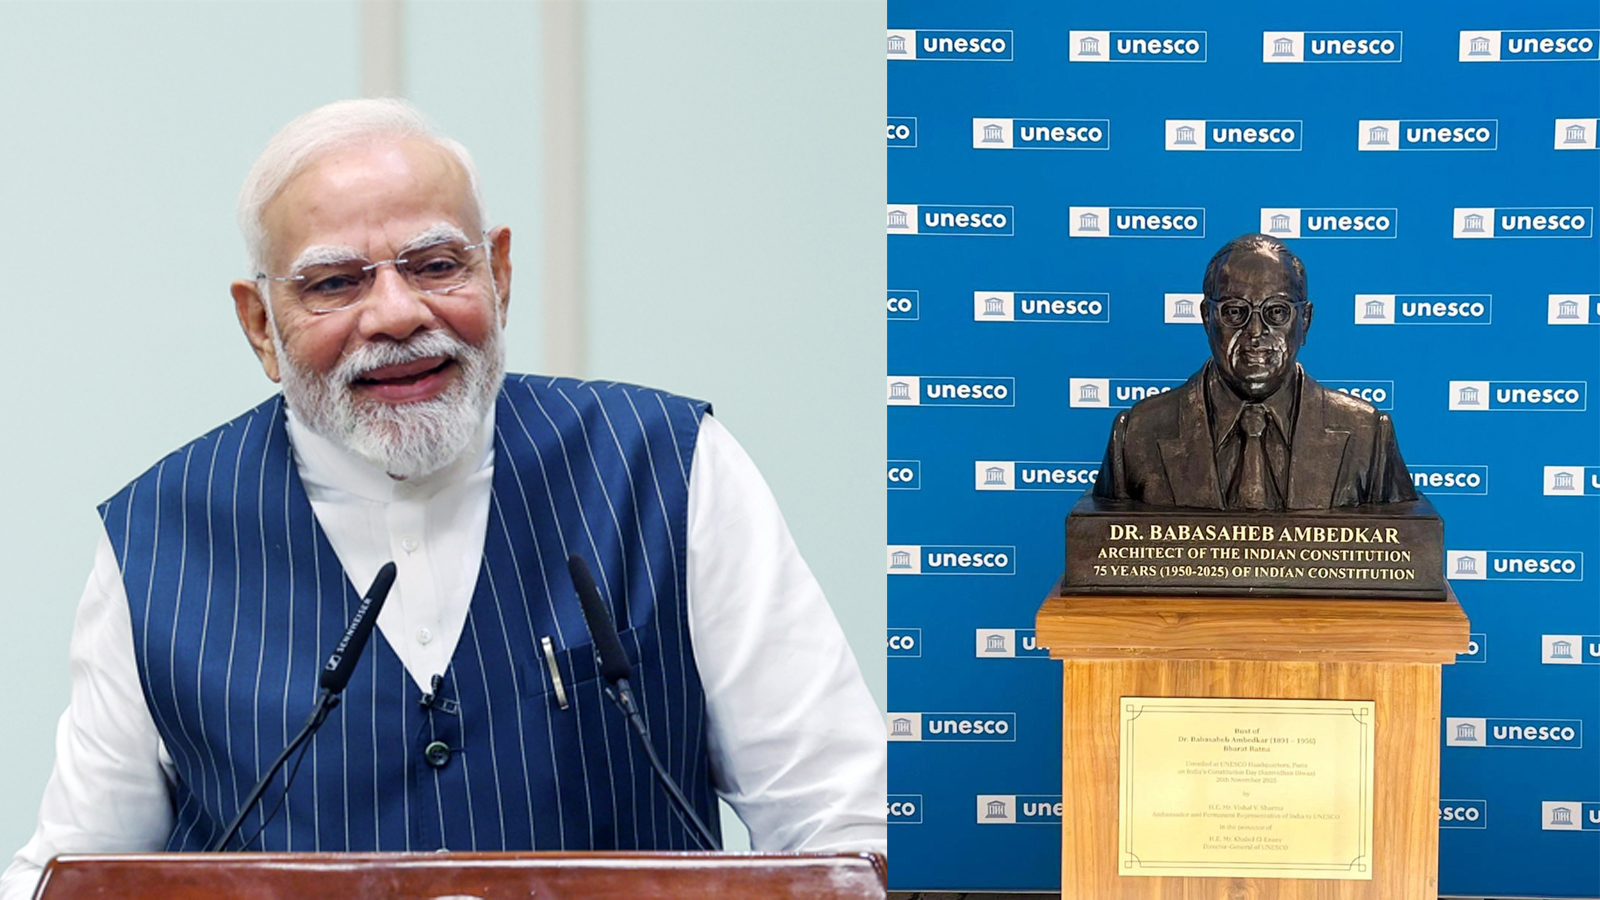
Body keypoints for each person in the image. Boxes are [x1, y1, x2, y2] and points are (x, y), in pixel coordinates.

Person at [1, 99, 884, 897]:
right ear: (260, 324)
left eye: (434, 264)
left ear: (498, 273)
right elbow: (73, 871)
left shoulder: (670, 468)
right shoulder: (156, 538)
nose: (395, 314)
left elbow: (843, 833)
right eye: (334, 283)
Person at [1094, 233, 1415, 509]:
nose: (1256, 332)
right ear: (1207, 318)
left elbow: (1407, 556)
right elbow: (1100, 554)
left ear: (1305, 321)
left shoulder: (1368, 434)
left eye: (1277, 312)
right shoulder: (1137, 433)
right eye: (1235, 312)